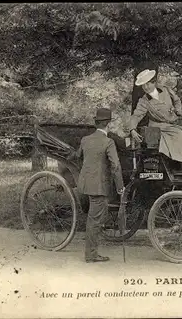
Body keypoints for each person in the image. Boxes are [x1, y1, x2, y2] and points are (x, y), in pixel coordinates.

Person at [128, 68, 182, 171]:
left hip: (176, 121)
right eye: (143, 85)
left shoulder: (166, 90)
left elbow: (177, 101)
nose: (145, 87)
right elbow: (136, 116)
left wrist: (178, 110)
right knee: (179, 136)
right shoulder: (144, 101)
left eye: (148, 84)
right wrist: (132, 129)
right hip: (161, 125)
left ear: (154, 83)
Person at [75, 108, 125, 263]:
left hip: (85, 184)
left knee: (96, 217)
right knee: (94, 220)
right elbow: (116, 166)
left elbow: (78, 157)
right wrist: (120, 186)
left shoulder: (85, 139)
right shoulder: (108, 142)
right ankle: (91, 255)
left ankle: (92, 251)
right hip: (98, 187)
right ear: (108, 125)